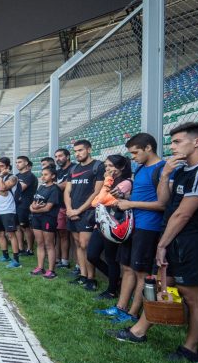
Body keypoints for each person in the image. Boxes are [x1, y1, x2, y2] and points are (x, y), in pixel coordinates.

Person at [110, 122, 198, 363]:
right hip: (174, 237)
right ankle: (138, 332)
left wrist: (162, 245)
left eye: (177, 142)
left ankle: (191, 351)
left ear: (197, 142)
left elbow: (183, 214)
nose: (171, 147)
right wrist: (164, 175)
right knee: (162, 285)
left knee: (193, 297)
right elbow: (165, 200)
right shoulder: (182, 170)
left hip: (191, 239)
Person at [97, 133, 166, 324]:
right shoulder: (142, 168)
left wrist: (131, 204)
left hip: (148, 227)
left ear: (148, 148)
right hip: (132, 225)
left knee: (141, 272)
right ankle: (120, 307)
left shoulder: (162, 169)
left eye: (135, 152)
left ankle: (133, 313)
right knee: (126, 267)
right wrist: (125, 199)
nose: (132, 157)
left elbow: (163, 204)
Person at [85, 156, 132, 293]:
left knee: (111, 259)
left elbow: (100, 201)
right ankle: (116, 280)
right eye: (106, 166)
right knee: (92, 255)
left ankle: (111, 290)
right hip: (100, 225)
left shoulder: (126, 183)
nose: (107, 169)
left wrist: (107, 180)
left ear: (121, 167)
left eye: (111, 166)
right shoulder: (111, 182)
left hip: (113, 225)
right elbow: (96, 202)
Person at [64, 140, 104, 287]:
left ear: (89, 150)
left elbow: (97, 192)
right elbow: (67, 191)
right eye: (75, 151)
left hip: (88, 212)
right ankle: (82, 275)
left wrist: (79, 210)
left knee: (85, 244)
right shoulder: (73, 169)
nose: (77, 154)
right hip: (72, 212)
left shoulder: (98, 166)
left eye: (80, 150)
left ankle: (91, 278)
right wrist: (69, 209)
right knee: (77, 244)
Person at [0, 157, 21, 268]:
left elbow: (3, 188)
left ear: (7, 167)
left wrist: (2, 176)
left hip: (8, 210)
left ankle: (16, 260)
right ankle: (5, 256)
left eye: (1, 166)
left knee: (11, 234)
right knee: (1, 234)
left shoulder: (13, 177)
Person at [30, 166, 60, 278]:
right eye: (42, 174)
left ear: (53, 176)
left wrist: (34, 209)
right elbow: (34, 203)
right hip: (36, 218)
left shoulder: (55, 189)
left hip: (48, 218)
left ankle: (51, 270)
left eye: (46, 174)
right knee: (40, 243)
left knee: (49, 244)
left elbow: (48, 208)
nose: (43, 176)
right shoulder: (41, 187)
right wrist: (33, 207)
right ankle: (40, 267)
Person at [54, 148, 74, 269]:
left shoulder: (74, 168)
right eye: (56, 157)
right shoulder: (58, 171)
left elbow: (63, 186)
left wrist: (53, 187)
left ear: (67, 156)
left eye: (60, 156)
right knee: (62, 234)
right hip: (60, 206)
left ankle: (74, 264)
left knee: (75, 237)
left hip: (72, 206)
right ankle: (63, 260)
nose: (58, 159)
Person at [15, 156, 38, 256]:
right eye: (16, 162)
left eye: (19, 162)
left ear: (26, 163)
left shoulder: (30, 175)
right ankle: (21, 248)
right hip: (16, 203)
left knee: (25, 227)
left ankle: (30, 249)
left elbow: (21, 188)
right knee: (17, 227)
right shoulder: (16, 175)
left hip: (25, 204)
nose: (17, 164)